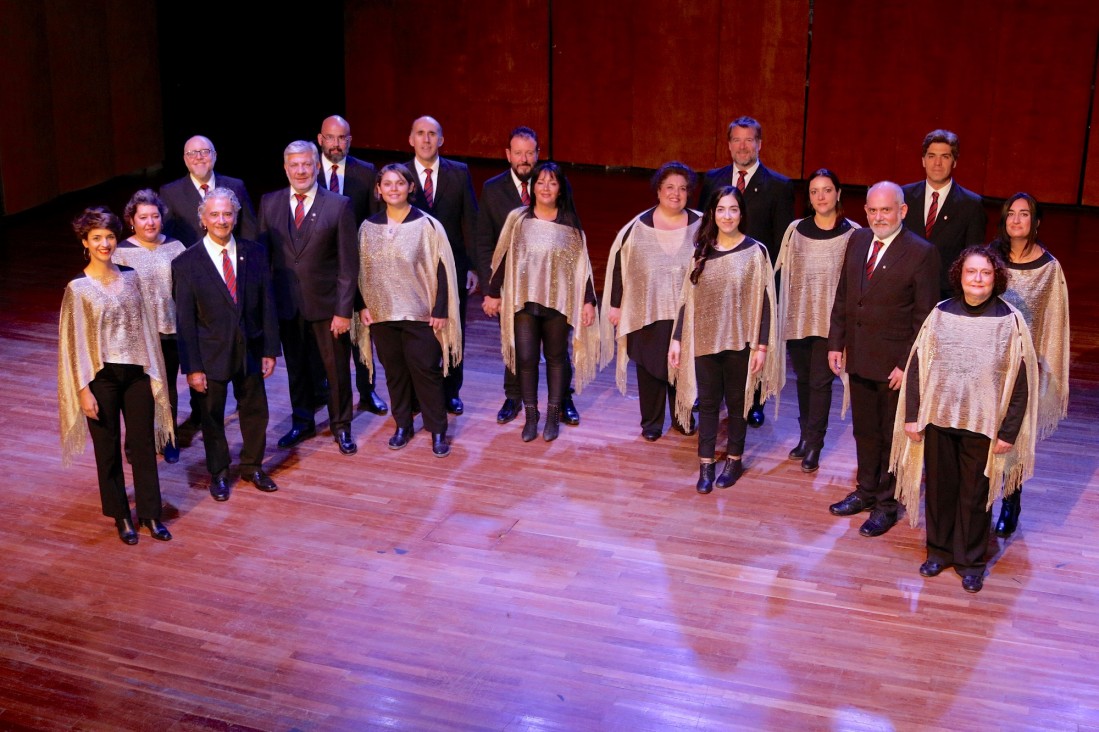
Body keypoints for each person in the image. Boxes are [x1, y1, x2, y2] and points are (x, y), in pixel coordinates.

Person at [892, 246, 1037, 593]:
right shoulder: (941, 313)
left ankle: (971, 561)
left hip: (984, 425)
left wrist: (1009, 430)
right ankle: (939, 551)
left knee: (975, 495)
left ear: (995, 278)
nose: (977, 279)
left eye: (985, 273)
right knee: (940, 489)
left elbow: (1021, 381)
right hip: (940, 417)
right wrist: (913, 416)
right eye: (971, 272)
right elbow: (916, 367)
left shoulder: (1010, 320)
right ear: (959, 275)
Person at [827, 181, 939, 537]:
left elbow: (925, 317)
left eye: (886, 210)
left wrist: (907, 364)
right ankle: (865, 490)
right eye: (873, 211)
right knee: (864, 431)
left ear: (902, 211)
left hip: (894, 366)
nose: (879, 217)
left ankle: (887, 504)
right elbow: (845, 295)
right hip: (859, 356)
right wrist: (836, 342)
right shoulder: (858, 241)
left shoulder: (921, 253)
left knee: (891, 437)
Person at [58, 206, 174, 544]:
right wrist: (83, 389)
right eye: (97, 238)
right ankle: (121, 515)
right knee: (106, 450)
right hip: (102, 378)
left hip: (136, 373)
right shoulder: (77, 288)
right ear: (85, 242)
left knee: (142, 446)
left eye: (109, 236)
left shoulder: (131, 276)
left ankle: (151, 514)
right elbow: (74, 343)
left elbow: (147, 329)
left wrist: (154, 374)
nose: (105, 243)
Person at [669, 186, 782, 494]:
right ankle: (705, 464)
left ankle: (734, 459)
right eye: (721, 209)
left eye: (733, 209)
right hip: (704, 341)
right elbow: (685, 301)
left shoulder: (755, 252)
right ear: (712, 214)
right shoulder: (701, 251)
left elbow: (766, 302)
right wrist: (678, 339)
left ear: (741, 214)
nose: (727, 215)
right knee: (706, 405)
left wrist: (761, 346)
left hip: (740, 343)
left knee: (737, 404)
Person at [173, 188, 281, 501]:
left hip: (250, 350)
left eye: (227, 214)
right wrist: (192, 367)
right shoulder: (186, 263)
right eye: (215, 215)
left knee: (255, 411)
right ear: (203, 219)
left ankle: (253, 465)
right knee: (212, 417)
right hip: (210, 356)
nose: (222, 220)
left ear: (235, 217)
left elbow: (267, 305)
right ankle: (219, 472)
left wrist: (270, 350)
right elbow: (186, 321)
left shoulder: (255, 252)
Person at [483, 161, 600, 442]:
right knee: (526, 358)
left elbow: (581, 266)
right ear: (532, 187)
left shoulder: (569, 222)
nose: (546, 187)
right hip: (524, 301)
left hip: (558, 303)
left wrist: (587, 301)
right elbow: (501, 258)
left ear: (560, 189)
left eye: (552, 182)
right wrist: (493, 292)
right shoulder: (518, 219)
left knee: (557, 359)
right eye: (540, 182)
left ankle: (553, 414)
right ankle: (531, 415)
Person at [259, 141, 359, 456]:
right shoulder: (269, 203)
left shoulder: (339, 205)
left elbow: (348, 264)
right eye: (294, 165)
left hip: (328, 307)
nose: (301, 170)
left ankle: (341, 426)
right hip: (288, 306)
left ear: (316, 166)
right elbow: (266, 261)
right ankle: (302, 421)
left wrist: (344, 311)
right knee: (298, 369)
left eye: (306, 164)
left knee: (336, 370)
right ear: (285, 168)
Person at [356, 163, 461, 457]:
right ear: (378, 190)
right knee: (395, 372)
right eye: (387, 184)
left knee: (426, 371)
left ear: (411, 187)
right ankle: (403, 424)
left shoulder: (427, 225)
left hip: (419, 313)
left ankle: (437, 429)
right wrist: (362, 305)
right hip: (381, 315)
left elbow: (442, 269)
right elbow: (359, 271)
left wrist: (440, 309)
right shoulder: (367, 228)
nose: (393, 189)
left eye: (399, 183)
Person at [698, 115, 795, 428]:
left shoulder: (780, 186)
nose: (743, 146)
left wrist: (774, 288)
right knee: (716, 335)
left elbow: (782, 243)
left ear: (759, 144)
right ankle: (712, 394)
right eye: (736, 140)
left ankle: (755, 401)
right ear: (729, 146)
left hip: (754, 280)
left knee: (753, 341)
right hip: (717, 276)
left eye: (749, 140)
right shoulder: (712, 179)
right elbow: (704, 229)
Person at [989, 193, 1070, 536]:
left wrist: (1042, 363)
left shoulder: (1049, 268)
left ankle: (1011, 501)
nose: (1017, 220)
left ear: (1036, 222)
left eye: (1024, 214)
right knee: (986, 435)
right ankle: (984, 498)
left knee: (1017, 437)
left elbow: (1054, 320)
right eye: (1011, 214)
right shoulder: (990, 258)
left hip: (1025, 366)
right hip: (989, 362)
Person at [601, 161, 701, 441]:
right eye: (669, 187)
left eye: (682, 188)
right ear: (658, 190)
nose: (676, 193)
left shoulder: (702, 224)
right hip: (647, 309)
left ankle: (683, 417)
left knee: (683, 366)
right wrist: (617, 305)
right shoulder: (637, 227)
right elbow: (621, 266)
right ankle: (652, 422)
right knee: (649, 367)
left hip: (686, 314)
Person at [773, 169, 859, 472]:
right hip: (799, 319)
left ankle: (815, 443)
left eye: (826, 190)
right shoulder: (795, 230)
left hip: (830, 324)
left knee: (822, 383)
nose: (821, 196)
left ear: (838, 193)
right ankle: (805, 436)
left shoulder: (854, 234)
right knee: (805, 381)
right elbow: (785, 275)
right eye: (814, 191)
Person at [316, 114, 389, 417]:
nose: (336, 144)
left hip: (357, 266)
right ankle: (325, 389)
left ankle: (367, 390)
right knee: (325, 336)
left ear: (350, 140)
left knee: (363, 333)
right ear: (320, 139)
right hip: (320, 266)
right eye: (330, 137)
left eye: (342, 138)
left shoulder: (365, 172)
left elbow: (373, 221)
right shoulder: (308, 169)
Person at [406, 116, 478, 416]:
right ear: (411, 139)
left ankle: (450, 392)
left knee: (451, 330)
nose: (426, 139)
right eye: (420, 134)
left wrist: (473, 267)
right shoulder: (398, 174)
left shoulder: (459, 173)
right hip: (410, 269)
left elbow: (470, 222)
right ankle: (412, 396)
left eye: (432, 134)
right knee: (413, 332)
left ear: (441, 139)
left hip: (451, 267)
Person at [112, 189, 187, 464]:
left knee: (166, 389)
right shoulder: (120, 253)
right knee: (139, 392)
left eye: (155, 216)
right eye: (143, 217)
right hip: (137, 336)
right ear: (132, 220)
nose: (150, 222)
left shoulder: (176, 247)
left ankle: (168, 439)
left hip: (170, 331)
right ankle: (136, 443)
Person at [473, 126, 540, 425]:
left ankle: (562, 398)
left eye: (530, 153)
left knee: (554, 343)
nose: (524, 159)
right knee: (512, 342)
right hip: (510, 283)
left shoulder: (551, 183)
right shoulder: (492, 188)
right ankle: (513, 397)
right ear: (507, 155)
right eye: (518, 153)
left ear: (538, 154)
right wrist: (491, 290)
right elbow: (484, 242)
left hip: (546, 279)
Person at [902, 129, 987, 299]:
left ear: (954, 162)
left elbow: (972, 256)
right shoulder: (903, 196)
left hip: (947, 297)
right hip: (904, 293)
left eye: (945, 157)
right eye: (932, 156)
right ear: (923, 160)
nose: (937, 163)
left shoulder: (971, 204)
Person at [159, 135, 258, 246]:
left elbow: (249, 230)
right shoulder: (170, 193)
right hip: (192, 261)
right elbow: (166, 237)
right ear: (185, 159)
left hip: (231, 258)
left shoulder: (236, 186)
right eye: (192, 153)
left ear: (215, 155)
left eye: (205, 152)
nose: (199, 157)